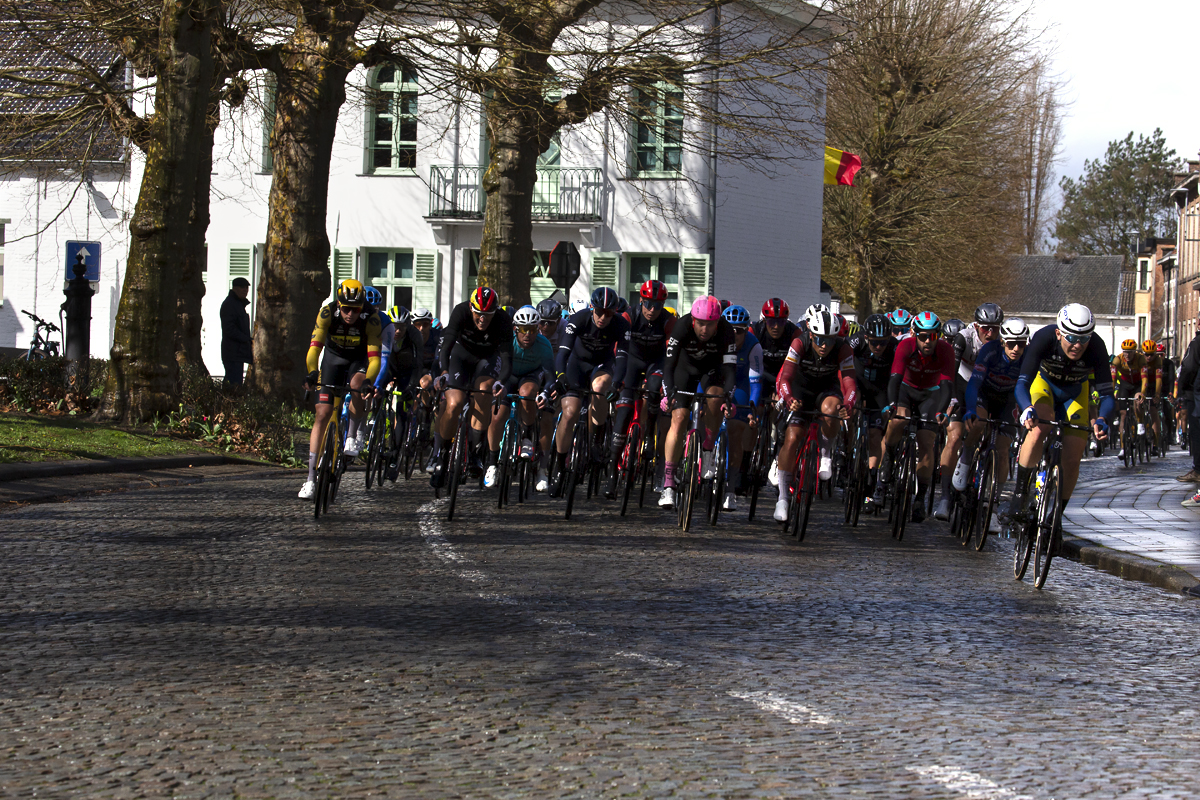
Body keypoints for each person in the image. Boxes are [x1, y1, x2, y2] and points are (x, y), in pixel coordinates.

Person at [1007, 303, 1115, 545]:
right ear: (1058, 333)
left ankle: (1056, 517)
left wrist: (1103, 419)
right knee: (1039, 428)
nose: (1077, 345)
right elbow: (1022, 383)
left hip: (1075, 392)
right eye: (1071, 338)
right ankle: (1020, 491)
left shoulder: (1096, 346)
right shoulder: (1043, 338)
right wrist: (1027, 409)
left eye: (1083, 338)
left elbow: (1108, 396)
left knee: (1073, 456)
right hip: (1044, 385)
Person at [298, 279, 383, 499]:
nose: (350, 314)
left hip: (358, 360)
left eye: (355, 310)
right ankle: (309, 479)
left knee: (357, 385)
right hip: (333, 360)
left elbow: (375, 359)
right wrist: (311, 371)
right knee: (322, 414)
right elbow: (315, 348)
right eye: (346, 309)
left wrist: (369, 381)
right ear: (338, 303)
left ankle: (352, 435)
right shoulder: (327, 313)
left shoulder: (371, 318)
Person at [772, 306, 857, 522]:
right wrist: (789, 399)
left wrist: (849, 403)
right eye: (819, 340)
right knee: (791, 440)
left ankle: (826, 454)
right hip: (801, 390)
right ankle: (782, 498)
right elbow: (785, 378)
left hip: (827, 390)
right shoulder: (800, 343)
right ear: (811, 334)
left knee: (833, 410)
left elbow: (849, 381)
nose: (824, 346)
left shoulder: (843, 348)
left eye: (829, 340)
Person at [659, 296, 737, 508]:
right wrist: (668, 393)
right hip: (684, 370)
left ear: (717, 322)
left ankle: (708, 450)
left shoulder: (726, 331)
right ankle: (668, 483)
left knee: (716, 399)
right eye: (700, 323)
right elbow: (668, 365)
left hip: (712, 371)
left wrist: (728, 396)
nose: (704, 329)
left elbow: (730, 370)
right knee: (679, 418)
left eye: (710, 324)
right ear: (693, 320)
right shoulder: (682, 325)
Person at [947, 317, 1028, 523]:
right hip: (985, 392)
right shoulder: (990, 351)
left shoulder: (1027, 357)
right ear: (1003, 342)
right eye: (1011, 344)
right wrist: (971, 409)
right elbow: (974, 383)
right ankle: (965, 460)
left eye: (1021, 344)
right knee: (978, 422)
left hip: (1009, 399)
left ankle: (993, 503)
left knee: (1002, 451)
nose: (1016, 349)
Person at [431, 287, 513, 487]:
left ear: (495, 312)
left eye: (488, 315)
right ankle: (441, 455)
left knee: (484, 391)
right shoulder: (460, 312)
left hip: (487, 358)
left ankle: (475, 451)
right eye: (478, 314)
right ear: (471, 308)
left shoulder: (503, 320)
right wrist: (443, 373)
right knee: (454, 403)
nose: (483, 319)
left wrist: (501, 381)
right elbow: (447, 344)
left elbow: (507, 356)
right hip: (461, 355)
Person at [552, 287, 630, 489]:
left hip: (603, 364)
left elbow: (622, 359)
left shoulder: (621, 325)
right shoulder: (579, 319)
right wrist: (560, 375)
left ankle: (597, 438)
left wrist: (618, 382)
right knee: (569, 413)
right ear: (592, 308)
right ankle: (560, 466)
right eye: (599, 312)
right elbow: (562, 353)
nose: (603, 317)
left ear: (615, 312)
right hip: (577, 364)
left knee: (600, 386)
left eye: (609, 313)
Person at [881, 311, 955, 522]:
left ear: (938, 336)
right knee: (898, 420)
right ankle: (889, 458)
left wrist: (941, 410)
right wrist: (892, 405)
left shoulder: (946, 350)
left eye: (932, 336)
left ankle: (920, 498)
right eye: (922, 336)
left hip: (930, 394)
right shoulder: (905, 346)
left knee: (926, 442)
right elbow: (894, 378)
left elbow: (947, 385)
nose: (927, 341)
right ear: (914, 334)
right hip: (905, 389)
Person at [605, 280, 675, 499]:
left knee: (654, 388)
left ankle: (650, 433)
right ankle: (612, 475)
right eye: (647, 304)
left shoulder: (668, 321)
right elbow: (618, 349)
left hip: (657, 363)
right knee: (623, 411)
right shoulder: (629, 316)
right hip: (631, 363)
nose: (652, 310)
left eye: (657, 305)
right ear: (640, 301)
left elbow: (671, 355)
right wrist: (617, 380)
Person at [936, 303, 1003, 518]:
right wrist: (953, 398)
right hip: (962, 384)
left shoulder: (1003, 341)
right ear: (976, 326)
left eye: (995, 328)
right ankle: (945, 497)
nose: (990, 333)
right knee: (954, 437)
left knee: (989, 435)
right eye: (985, 328)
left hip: (987, 388)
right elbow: (950, 371)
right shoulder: (964, 338)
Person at [487, 305, 554, 488]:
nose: (528, 334)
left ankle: (526, 435)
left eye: (532, 330)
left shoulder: (544, 345)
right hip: (508, 376)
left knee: (526, 393)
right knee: (497, 416)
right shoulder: (507, 340)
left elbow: (550, 376)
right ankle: (492, 463)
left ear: (538, 329)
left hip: (530, 376)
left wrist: (546, 392)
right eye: (524, 329)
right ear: (516, 328)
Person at [849, 313, 898, 507]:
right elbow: (841, 361)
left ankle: (871, 482)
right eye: (875, 343)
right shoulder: (856, 341)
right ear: (866, 337)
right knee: (850, 409)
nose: (879, 347)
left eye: (883, 343)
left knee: (875, 435)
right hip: (859, 385)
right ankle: (846, 450)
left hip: (881, 391)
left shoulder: (894, 347)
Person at [721, 304, 762, 511]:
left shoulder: (753, 346)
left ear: (747, 331)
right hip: (718, 379)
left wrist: (752, 408)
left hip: (741, 383)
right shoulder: (717, 339)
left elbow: (755, 383)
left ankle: (730, 488)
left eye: (739, 331)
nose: (734, 335)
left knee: (736, 429)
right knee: (701, 411)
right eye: (730, 330)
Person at [1110, 338, 1148, 459]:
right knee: (1123, 415)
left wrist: (1142, 393)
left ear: (1135, 352)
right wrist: (1111, 393)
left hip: (1137, 384)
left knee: (1137, 402)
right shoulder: (1118, 359)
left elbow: (1145, 378)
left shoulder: (1141, 359)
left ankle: (1140, 423)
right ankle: (1122, 447)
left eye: (1130, 352)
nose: (1127, 354)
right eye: (1125, 352)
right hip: (1125, 385)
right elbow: (1113, 379)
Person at [1177, 315, 1200, 493]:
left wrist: (1183, 387)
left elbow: (1189, 367)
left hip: (1196, 393)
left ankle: (1198, 469)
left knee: (1197, 431)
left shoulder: (1197, 342)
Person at [220, 277, 253, 386]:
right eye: (242, 287)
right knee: (233, 383)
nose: (245, 290)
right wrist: (246, 339)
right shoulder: (229, 304)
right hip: (232, 352)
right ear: (234, 288)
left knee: (235, 381)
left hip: (238, 352)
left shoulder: (238, 304)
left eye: (246, 287)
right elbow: (229, 329)